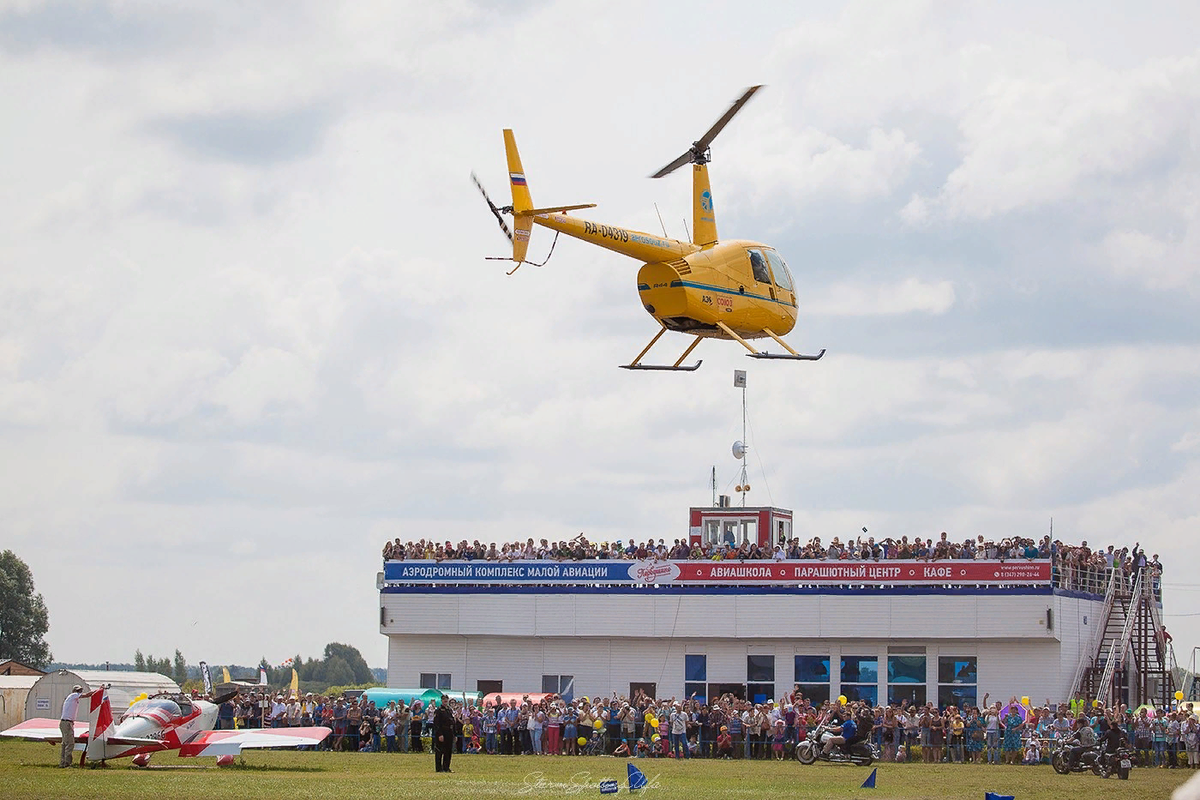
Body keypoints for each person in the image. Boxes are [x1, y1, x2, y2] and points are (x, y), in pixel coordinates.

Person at [59, 684, 96, 768]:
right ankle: (67, 763)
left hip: (66, 723)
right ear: (75, 691)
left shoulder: (71, 698)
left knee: (65, 743)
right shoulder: (73, 695)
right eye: (78, 690)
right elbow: (87, 695)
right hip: (67, 723)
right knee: (70, 743)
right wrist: (98, 690)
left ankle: (63, 762)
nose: (80, 692)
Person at [433, 695, 455, 773]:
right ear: (441, 700)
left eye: (446, 699)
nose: (445, 700)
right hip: (442, 732)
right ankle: (439, 768)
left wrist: (454, 734)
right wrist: (439, 734)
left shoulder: (449, 710)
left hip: (449, 732)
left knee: (448, 751)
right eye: (444, 699)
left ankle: (446, 767)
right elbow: (437, 724)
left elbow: (452, 721)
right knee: (440, 751)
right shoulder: (439, 710)